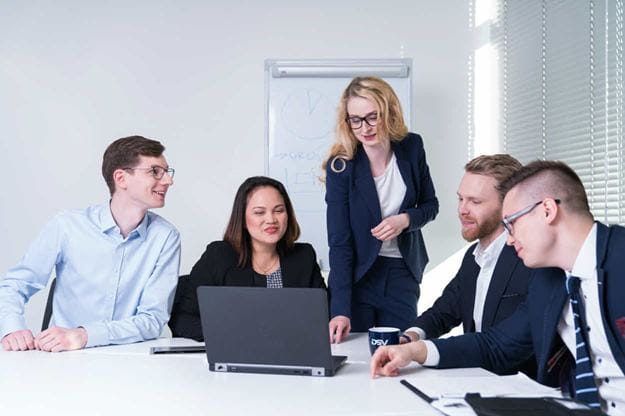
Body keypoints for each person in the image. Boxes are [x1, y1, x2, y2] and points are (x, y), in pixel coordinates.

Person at [371, 160, 625, 414]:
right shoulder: (551, 280)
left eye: (512, 223)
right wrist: (415, 350)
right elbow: (497, 345)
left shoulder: (617, 257)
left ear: (547, 210)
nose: (510, 239)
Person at [0, 136, 180, 352]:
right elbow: (15, 285)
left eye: (167, 172)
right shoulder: (66, 226)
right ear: (121, 178)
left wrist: (85, 335)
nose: (168, 181)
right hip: (63, 360)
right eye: (155, 171)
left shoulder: (166, 237)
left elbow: (152, 319)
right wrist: (12, 329)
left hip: (130, 359)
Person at [323, 76, 439, 343]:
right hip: (359, 277)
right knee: (355, 359)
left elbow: (431, 206)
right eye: (355, 119)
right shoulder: (341, 166)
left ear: (389, 112)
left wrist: (405, 220)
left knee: (400, 354)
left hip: (402, 273)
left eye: (372, 117)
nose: (365, 128)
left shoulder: (412, 147)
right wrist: (339, 309)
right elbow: (339, 242)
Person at [402, 154, 535, 376]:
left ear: (508, 206)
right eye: (460, 199)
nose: (462, 210)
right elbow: (443, 312)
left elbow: (503, 344)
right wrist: (410, 336)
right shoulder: (473, 257)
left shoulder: (530, 260)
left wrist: (420, 351)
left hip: (518, 389)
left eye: (475, 201)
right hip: (477, 379)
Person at [168, 176, 326, 341]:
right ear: (242, 219)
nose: (271, 220)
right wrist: (236, 335)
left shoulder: (304, 256)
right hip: (236, 354)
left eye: (279, 210)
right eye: (259, 212)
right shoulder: (219, 256)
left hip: (292, 352)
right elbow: (182, 319)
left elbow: (322, 316)